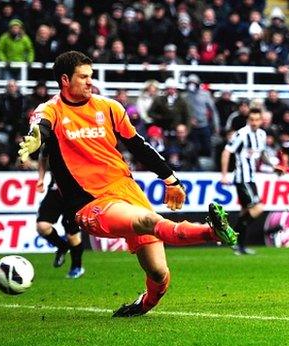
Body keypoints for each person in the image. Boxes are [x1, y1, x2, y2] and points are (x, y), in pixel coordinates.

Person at [18, 51, 238, 317]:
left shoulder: (109, 108)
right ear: (65, 80)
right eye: (84, 77)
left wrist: (170, 179)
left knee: (158, 271)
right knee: (148, 220)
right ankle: (212, 231)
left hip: (126, 190)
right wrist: (36, 138)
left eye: (91, 76)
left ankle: (143, 305)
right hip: (91, 202)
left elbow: (139, 146)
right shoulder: (51, 110)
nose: (91, 82)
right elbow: (40, 126)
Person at [221, 107, 284, 255]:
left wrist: (274, 166)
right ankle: (232, 234)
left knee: (244, 212)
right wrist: (224, 174)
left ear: (261, 120)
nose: (254, 123)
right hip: (242, 178)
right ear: (248, 120)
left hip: (251, 178)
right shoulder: (241, 134)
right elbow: (226, 151)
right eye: (252, 120)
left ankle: (238, 245)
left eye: (257, 120)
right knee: (258, 208)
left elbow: (261, 154)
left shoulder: (262, 134)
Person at [36, 147, 85, 278]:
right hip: (55, 191)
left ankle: (76, 267)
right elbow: (43, 155)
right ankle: (62, 246)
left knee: (72, 235)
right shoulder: (53, 135)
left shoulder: (80, 138)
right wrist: (41, 178)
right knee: (42, 226)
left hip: (75, 193)